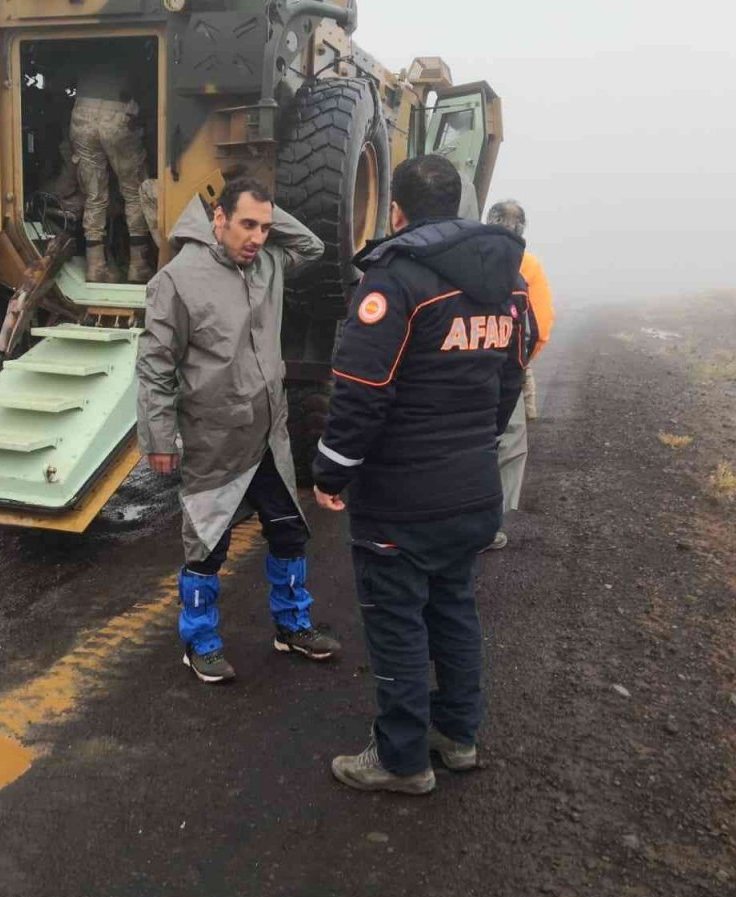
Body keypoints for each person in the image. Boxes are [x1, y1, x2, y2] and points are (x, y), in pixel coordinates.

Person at [312, 155, 526, 794]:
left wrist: (331, 472)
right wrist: (475, 443)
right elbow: (509, 380)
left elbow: (359, 392)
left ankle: (402, 760)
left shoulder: (395, 282)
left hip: (403, 500)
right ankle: (458, 737)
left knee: (398, 619)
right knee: (454, 608)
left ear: (396, 213)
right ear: (459, 204)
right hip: (472, 489)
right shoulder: (504, 281)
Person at [137, 177, 340, 684]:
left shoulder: (269, 262)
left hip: (270, 433)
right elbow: (156, 365)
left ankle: (292, 626)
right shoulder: (178, 279)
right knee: (207, 543)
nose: (257, 237)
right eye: (246, 224)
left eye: (265, 228)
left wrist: (268, 216)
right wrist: (159, 439)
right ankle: (199, 642)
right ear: (218, 219)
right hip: (215, 436)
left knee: (289, 531)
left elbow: (311, 245)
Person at [482, 199, 556, 550]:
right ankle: (487, 529)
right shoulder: (529, 266)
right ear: (522, 230)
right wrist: (521, 365)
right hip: (505, 373)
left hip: (458, 367)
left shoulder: (465, 253)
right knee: (506, 447)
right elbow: (539, 330)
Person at [70, 47, 154, 284]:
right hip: (118, 113)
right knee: (134, 192)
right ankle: (138, 266)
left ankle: (96, 267)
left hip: (81, 113)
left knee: (94, 195)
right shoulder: (136, 54)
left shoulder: (88, 55)